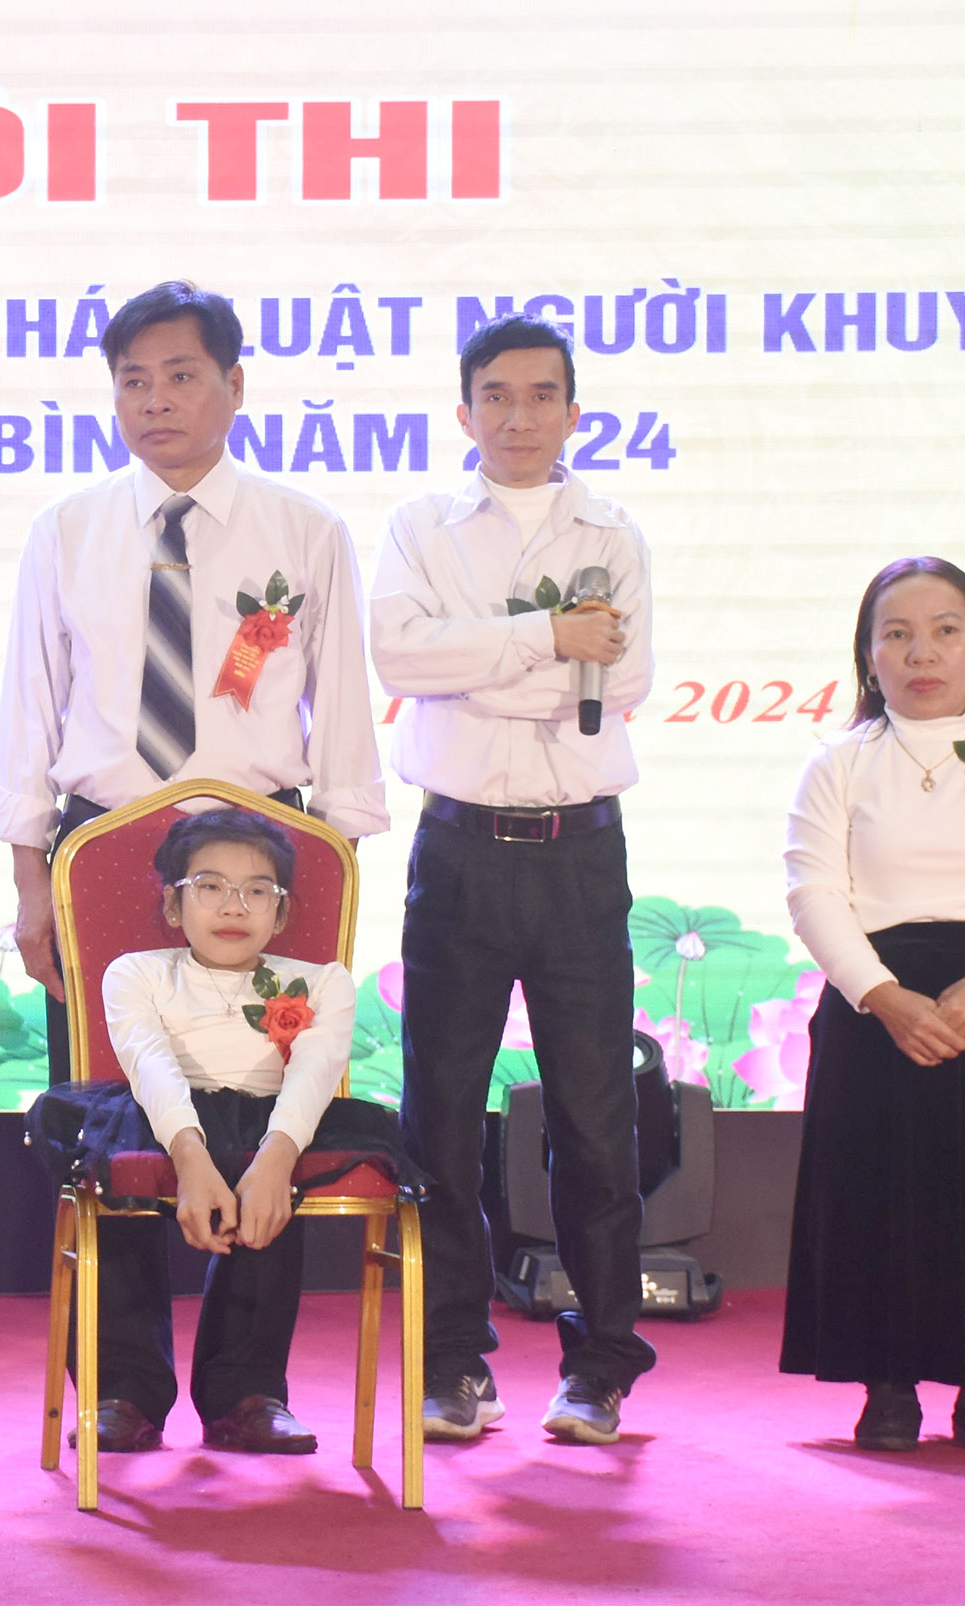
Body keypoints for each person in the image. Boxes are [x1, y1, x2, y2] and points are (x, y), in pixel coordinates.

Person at [0, 280, 387, 1453]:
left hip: (267, 853)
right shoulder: (67, 528)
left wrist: (333, 886)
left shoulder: (304, 529)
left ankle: (248, 1384)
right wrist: (29, 885)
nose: (155, 400)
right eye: (132, 381)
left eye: (180, 375)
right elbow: (30, 712)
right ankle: (123, 1385)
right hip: (104, 856)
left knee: (263, 1106)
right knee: (119, 1114)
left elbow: (342, 716)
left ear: (235, 385)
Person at [369, 314, 655, 1446]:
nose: (519, 416)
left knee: (594, 1119)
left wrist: (477, 657)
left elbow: (621, 679)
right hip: (458, 851)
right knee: (439, 1119)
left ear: (575, 413)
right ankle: (453, 1362)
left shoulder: (615, 532)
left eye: (542, 396)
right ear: (464, 412)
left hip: (580, 853)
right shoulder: (420, 525)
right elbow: (402, 657)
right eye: (497, 395)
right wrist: (547, 639)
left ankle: (600, 1367)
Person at [781, 557, 965, 1454]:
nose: (923, 653)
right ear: (868, 655)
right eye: (898, 634)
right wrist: (883, 997)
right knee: (878, 1201)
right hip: (875, 1004)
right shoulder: (838, 763)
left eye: (946, 631)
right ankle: (886, 1386)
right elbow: (812, 892)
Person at [86, 810, 379, 1452]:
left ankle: (247, 1393)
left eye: (257, 890)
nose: (233, 906)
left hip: (270, 1126)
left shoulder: (322, 984)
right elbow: (150, 1066)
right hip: (160, 1121)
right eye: (210, 886)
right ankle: (124, 1391)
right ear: (173, 905)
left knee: (280, 1165)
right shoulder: (136, 973)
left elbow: (313, 1077)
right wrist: (190, 1158)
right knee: (115, 1167)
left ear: (281, 911)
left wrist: (275, 1163)